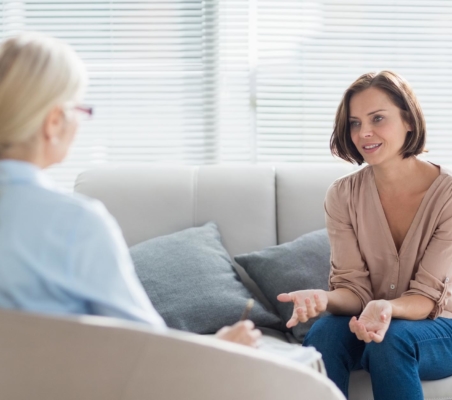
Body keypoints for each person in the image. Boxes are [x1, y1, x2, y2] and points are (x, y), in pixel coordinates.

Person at [0, 33, 260, 348]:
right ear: (54, 122)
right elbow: (144, 355)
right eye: (80, 109)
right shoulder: (74, 224)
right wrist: (222, 347)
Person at [278, 71, 452, 399]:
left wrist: (386, 308)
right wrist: (324, 299)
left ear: (408, 119)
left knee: (391, 340)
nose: (364, 133)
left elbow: (427, 297)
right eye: (354, 123)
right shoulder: (342, 195)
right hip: (372, 318)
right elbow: (353, 289)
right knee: (324, 334)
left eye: (378, 118)